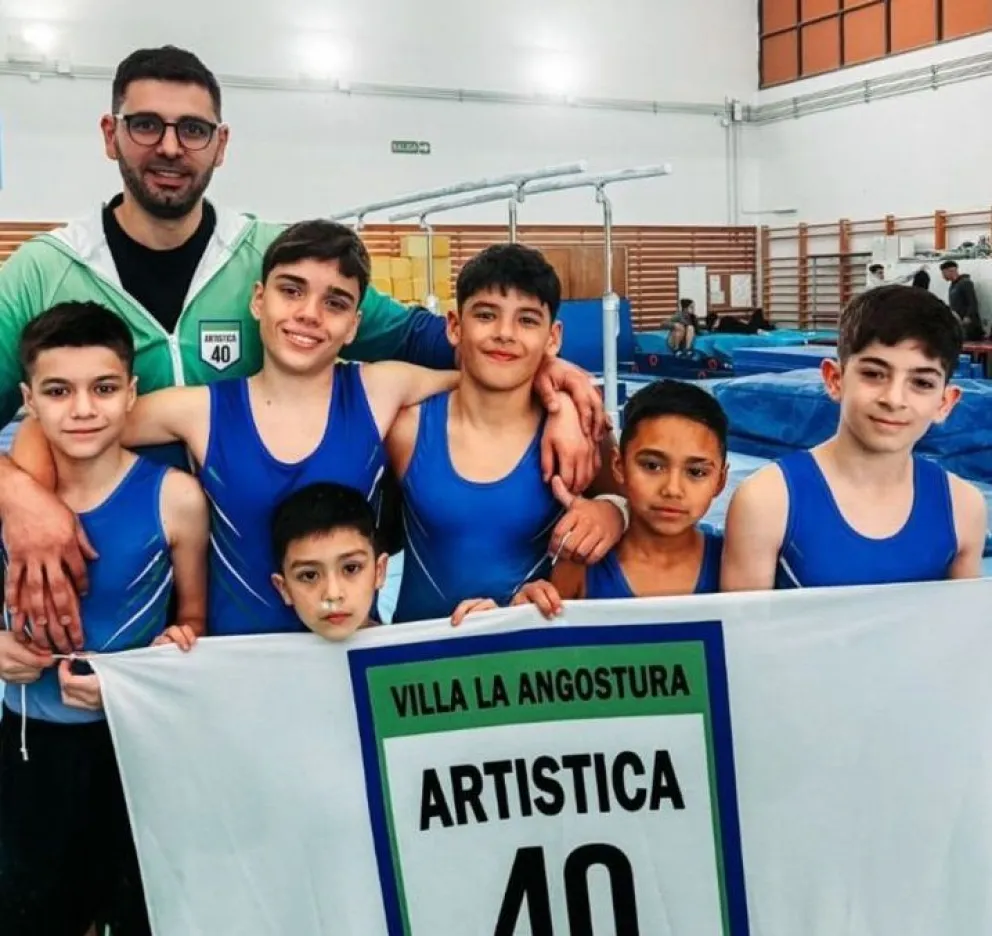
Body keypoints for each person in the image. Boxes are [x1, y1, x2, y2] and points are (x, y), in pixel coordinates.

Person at [0, 44, 607, 653]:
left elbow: (453, 351)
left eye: (192, 129)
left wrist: (554, 382)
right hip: (132, 607)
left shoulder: (279, 256)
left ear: (220, 142)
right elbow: (68, 422)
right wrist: (22, 496)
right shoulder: (42, 273)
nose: (169, 146)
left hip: (299, 639)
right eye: (145, 124)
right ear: (111, 133)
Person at [0, 301, 207, 936]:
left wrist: (171, 649)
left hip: (138, 749)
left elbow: (194, 618)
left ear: (132, 394)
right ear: (28, 400)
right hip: (28, 741)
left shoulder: (175, 499)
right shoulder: (10, 506)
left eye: (104, 388)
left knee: (138, 910)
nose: (83, 409)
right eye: (59, 392)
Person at [385, 243, 628, 625]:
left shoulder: (580, 431)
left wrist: (613, 512)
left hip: (524, 666)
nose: (504, 333)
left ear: (553, 338)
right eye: (486, 315)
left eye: (527, 320)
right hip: (420, 670)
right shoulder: (405, 430)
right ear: (453, 326)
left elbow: (632, 502)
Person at [721, 285, 988, 590]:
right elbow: (746, 633)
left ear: (945, 403)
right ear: (834, 379)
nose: (894, 398)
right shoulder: (766, 500)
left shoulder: (964, 507)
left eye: (922, 383)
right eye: (874, 374)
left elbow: (961, 632)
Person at [511, 380, 727, 617]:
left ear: (720, 480)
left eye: (696, 472)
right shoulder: (581, 564)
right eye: (652, 466)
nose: (672, 489)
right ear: (618, 466)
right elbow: (550, 646)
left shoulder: (729, 562)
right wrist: (528, 612)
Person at [270, 482, 385, 640]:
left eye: (351, 568)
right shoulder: (264, 663)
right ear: (284, 589)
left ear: (379, 571)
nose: (333, 594)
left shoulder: (411, 657)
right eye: (309, 575)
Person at [940, 260, 984, 340]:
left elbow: (972, 301)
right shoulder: (953, 286)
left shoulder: (965, 283)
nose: (943, 276)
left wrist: (968, 316)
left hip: (969, 325)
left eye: (944, 273)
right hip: (959, 323)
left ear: (952, 271)